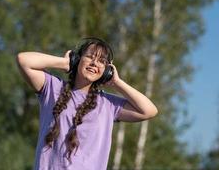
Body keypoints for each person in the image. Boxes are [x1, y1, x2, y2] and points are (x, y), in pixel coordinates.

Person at [16, 37, 158, 170]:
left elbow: (149, 110)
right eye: (90, 56)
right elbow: (23, 60)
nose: (94, 63)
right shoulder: (53, 88)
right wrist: (65, 63)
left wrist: (117, 83)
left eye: (101, 61)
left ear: (106, 70)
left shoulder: (108, 104)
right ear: (78, 60)